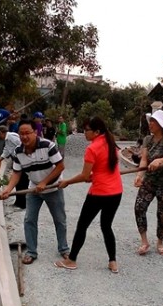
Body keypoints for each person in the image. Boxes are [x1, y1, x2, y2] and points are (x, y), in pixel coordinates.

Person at [54, 117, 123, 273]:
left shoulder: (92, 148)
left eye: (87, 130)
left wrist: (67, 182)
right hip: (116, 192)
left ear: (96, 132)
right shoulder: (112, 144)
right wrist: (93, 175)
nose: (84, 133)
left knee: (82, 225)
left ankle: (71, 260)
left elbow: (85, 175)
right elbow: (103, 169)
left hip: (99, 192)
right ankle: (113, 261)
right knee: (106, 226)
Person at [0, 119, 69, 264]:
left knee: (59, 220)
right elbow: (17, 173)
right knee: (29, 219)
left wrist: (45, 182)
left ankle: (64, 249)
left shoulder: (47, 145)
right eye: (21, 134)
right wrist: (7, 189)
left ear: (35, 132)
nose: (24, 137)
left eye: (27, 133)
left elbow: (60, 166)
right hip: (34, 188)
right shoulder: (18, 151)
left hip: (53, 187)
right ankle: (31, 251)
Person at [134, 110, 163, 256]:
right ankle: (144, 241)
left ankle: (160, 242)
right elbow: (144, 159)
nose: (150, 124)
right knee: (139, 207)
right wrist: (140, 175)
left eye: (154, 122)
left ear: (160, 125)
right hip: (150, 180)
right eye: (150, 121)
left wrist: (160, 160)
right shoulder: (147, 140)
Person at [0, 125, 28, 208]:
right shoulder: (7, 140)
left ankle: (23, 203)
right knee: (18, 183)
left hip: (22, 161)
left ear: (1, 133)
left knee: (23, 182)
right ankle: (19, 201)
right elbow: (5, 153)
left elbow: (23, 145)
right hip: (17, 160)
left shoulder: (11, 137)